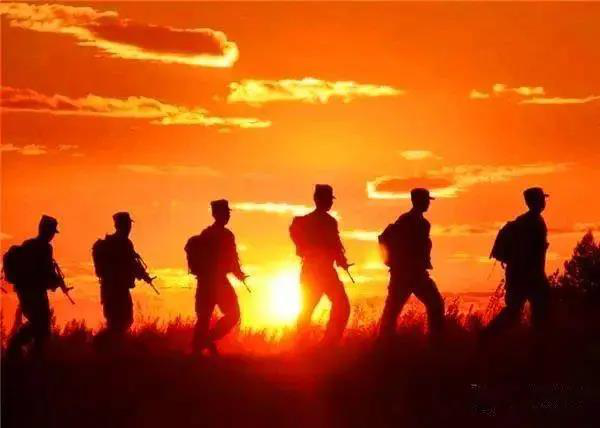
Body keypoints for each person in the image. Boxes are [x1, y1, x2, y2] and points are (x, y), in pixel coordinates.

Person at [480, 187, 550, 342]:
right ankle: (487, 338)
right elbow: (529, 253)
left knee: (517, 312)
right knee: (536, 311)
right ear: (535, 201)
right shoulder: (533, 223)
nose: (544, 202)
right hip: (529, 276)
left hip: (520, 275)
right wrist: (535, 275)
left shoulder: (526, 221)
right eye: (542, 199)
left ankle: (487, 338)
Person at [378, 188, 445, 339]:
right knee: (393, 311)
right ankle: (383, 343)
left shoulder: (422, 223)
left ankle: (435, 341)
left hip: (416, 273)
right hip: (405, 274)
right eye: (426, 200)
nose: (428, 203)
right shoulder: (406, 221)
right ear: (417, 201)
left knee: (435, 304)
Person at [290, 184, 352, 346]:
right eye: (328, 199)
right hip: (323, 272)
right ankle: (327, 343)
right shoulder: (328, 222)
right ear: (318, 199)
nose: (330, 202)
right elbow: (335, 246)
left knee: (307, 309)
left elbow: (334, 247)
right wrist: (341, 261)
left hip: (312, 271)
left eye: (330, 199)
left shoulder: (303, 222)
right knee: (341, 306)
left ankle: (305, 344)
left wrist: (340, 260)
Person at [185, 200, 246, 356]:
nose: (228, 216)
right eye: (225, 213)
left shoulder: (207, 234)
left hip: (206, 282)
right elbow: (232, 259)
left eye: (228, 213)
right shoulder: (225, 235)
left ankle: (199, 348)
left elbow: (230, 259)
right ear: (216, 214)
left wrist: (238, 273)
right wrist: (239, 274)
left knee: (204, 318)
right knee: (233, 314)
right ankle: (204, 342)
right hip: (218, 282)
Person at [6, 215, 68, 358]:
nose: (52, 235)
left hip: (27, 292)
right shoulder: (44, 248)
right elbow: (45, 272)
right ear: (46, 231)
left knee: (40, 325)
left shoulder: (29, 244)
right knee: (40, 325)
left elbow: (43, 272)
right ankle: (17, 349)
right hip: (33, 292)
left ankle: (25, 353)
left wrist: (55, 282)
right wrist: (56, 282)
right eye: (52, 231)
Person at [92, 212, 154, 339]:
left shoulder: (121, 243)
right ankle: (104, 344)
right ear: (120, 226)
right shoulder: (122, 244)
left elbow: (132, 264)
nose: (129, 228)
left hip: (115, 290)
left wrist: (143, 275)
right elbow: (130, 264)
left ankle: (110, 345)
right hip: (115, 290)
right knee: (118, 323)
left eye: (129, 225)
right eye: (127, 225)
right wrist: (143, 275)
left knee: (122, 321)